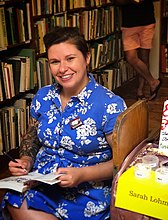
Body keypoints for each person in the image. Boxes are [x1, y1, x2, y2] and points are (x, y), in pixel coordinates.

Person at [2, 27, 127, 220]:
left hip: (88, 190)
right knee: (14, 200)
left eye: (70, 59)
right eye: (55, 62)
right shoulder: (43, 96)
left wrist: (82, 175)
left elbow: (123, 163)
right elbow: (31, 139)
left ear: (86, 58)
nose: (62, 69)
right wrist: (26, 160)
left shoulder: (110, 105)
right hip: (42, 182)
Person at [116, 0, 161, 100]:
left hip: (147, 22)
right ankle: (153, 81)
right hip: (129, 23)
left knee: (144, 58)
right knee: (131, 58)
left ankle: (140, 91)